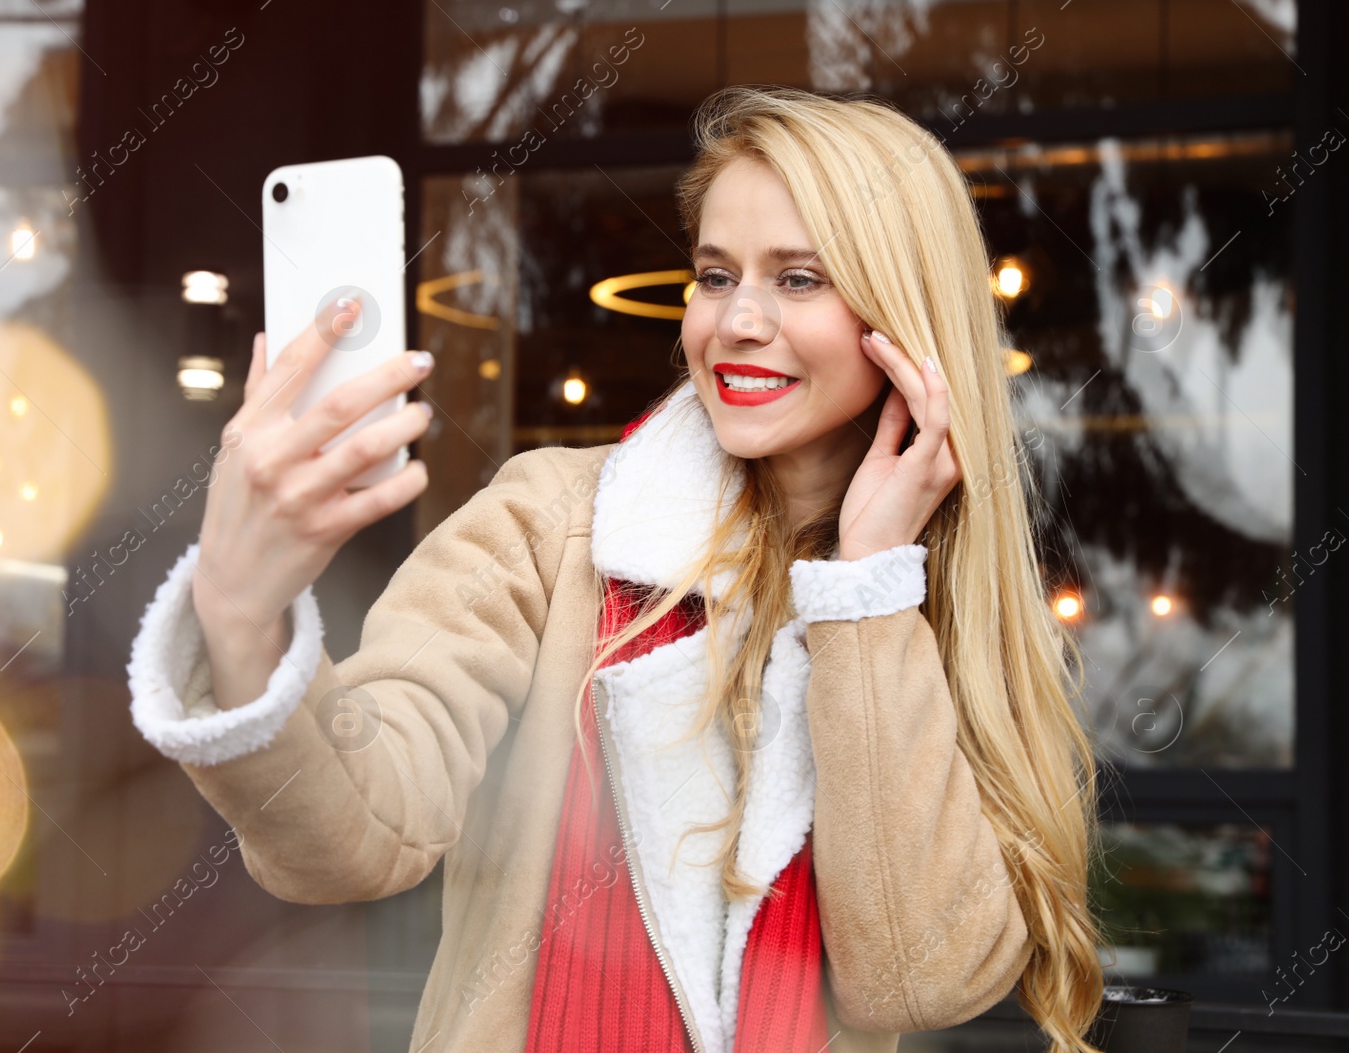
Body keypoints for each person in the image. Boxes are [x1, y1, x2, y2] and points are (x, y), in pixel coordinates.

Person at [127, 85, 1105, 1053]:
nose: (735, 322)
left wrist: (866, 591)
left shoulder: (932, 606)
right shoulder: (553, 522)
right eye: (715, 275)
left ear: (904, 313)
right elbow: (358, 833)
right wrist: (243, 611)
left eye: (799, 278)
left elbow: (911, 978)